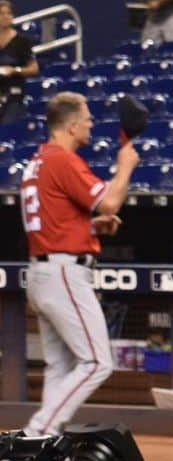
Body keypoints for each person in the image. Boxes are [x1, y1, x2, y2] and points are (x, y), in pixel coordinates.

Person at [17, 91, 139, 437]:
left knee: (60, 366)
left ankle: (41, 447)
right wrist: (125, 166)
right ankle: (38, 431)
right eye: (87, 119)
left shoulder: (37, 161)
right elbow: (110, 202)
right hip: (63, 273)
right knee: (98, 362)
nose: (91, 124)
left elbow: (53, 216)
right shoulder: (62, 160)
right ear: (71, 126)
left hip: (43, 269)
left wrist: (87, 227)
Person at [0, 0, 39, 125]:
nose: (5, 16)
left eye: (8, 13)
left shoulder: (22, 41)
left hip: (14, 97)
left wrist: (15, 70)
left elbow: (34, 68)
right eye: (1, 13)